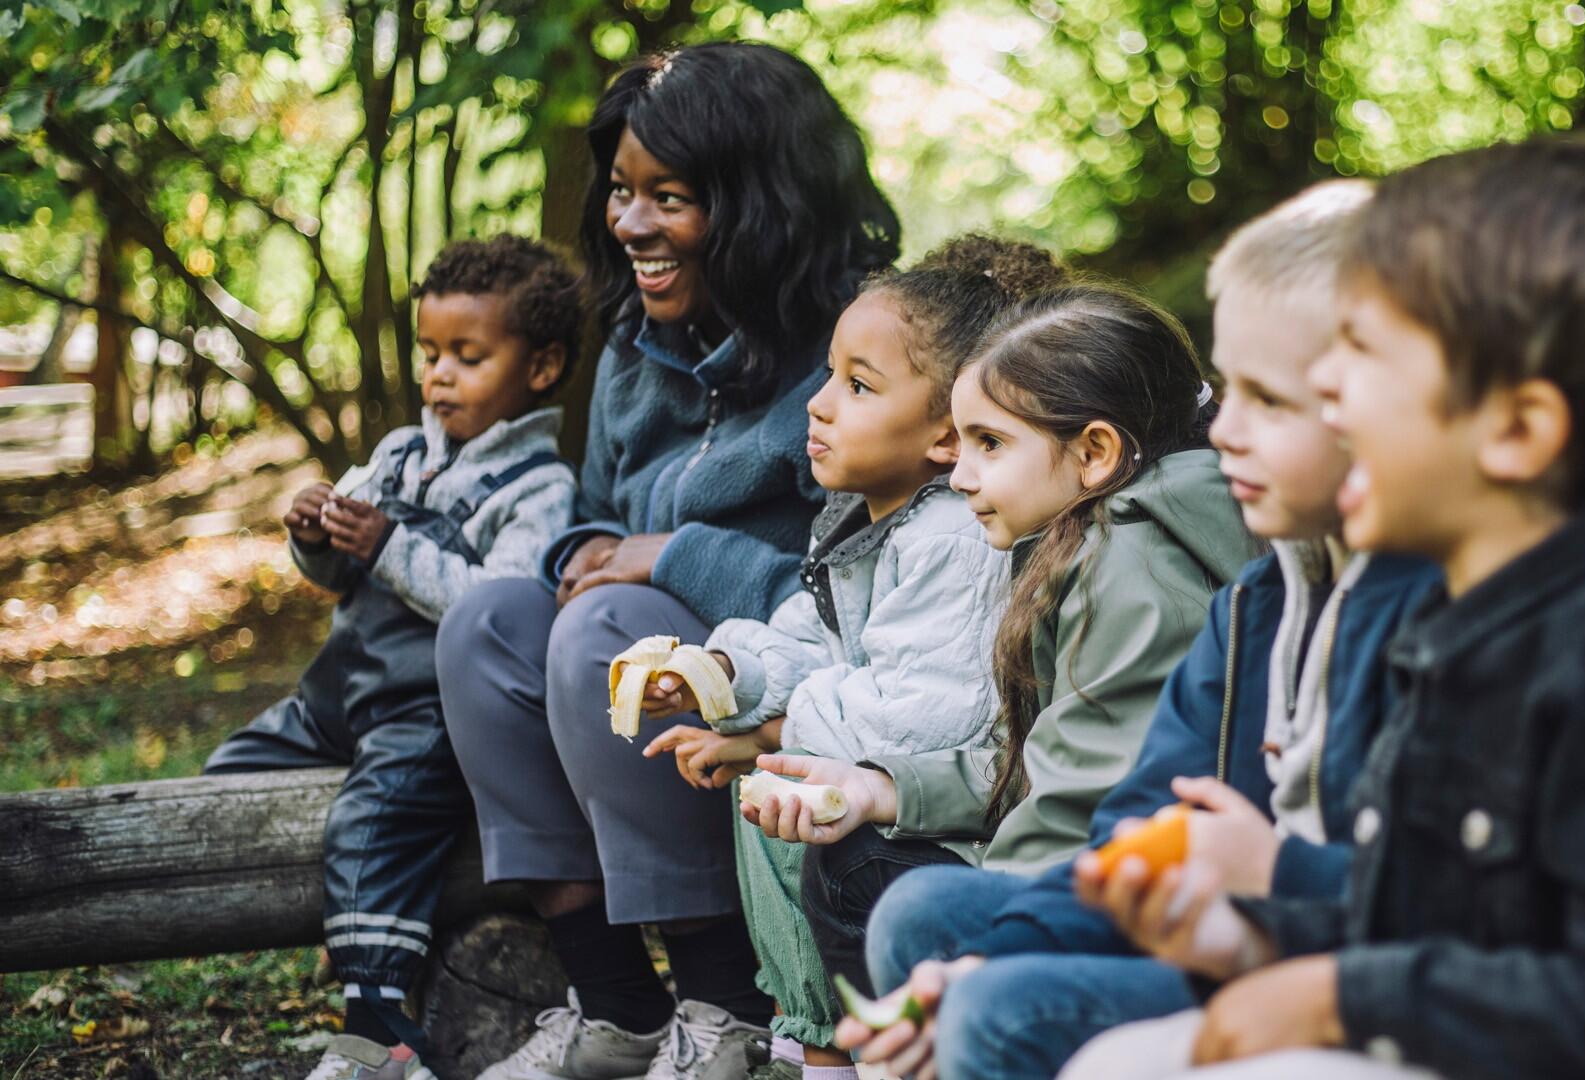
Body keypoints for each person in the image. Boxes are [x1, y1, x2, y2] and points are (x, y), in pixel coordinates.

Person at [1061, 137, 1585, 1080]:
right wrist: (1250, 946)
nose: (1331, 388)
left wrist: (1336, 995)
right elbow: (1440, 916)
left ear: (1516, 431)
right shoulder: (1452, 637)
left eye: (1365, 352)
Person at [835, 184, 1435, 1080]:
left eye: (1265, 401)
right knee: (930, 927)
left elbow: (1475, 911)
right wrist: (981, 957)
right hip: (1248, 928)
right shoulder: (1265, 596)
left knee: (998, 1008)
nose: (1221, 430)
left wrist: (1274, 883)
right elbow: (1131, 821)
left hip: (1335, 960)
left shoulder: (1440, 613)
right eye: (1229, 392)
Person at [434, 43, 901, 1080]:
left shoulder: (866, 359)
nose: (633, 224)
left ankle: (727, 1009)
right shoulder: (632, 355)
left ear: (761, 205)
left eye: (672, 197)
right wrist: (585, 551)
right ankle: (616, 1009)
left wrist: (673, 558)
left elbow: (871, 596)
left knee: (609, 631)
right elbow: (591, 515)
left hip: (796, 710)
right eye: (621, 194)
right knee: (490, 625)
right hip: (640, 706)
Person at [749, 282, 1259, 998]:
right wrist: (882, 788)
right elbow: (1044, 764)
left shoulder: (1133, 573)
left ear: (1096, 453)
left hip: (1154, 907)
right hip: (1111, 880)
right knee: (857, 855)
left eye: (989, 443)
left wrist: (993, 959)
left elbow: (1084, 811)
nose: (959, 476)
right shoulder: (1086, 540)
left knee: (910, 907)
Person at [641, 237, 1059, 1080]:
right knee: (767, 796)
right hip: (889, 797)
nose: (820, 405)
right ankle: (815, 1042)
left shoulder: (952, 536)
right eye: (829, 375)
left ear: (948, 434)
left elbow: (917, 711)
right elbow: (807, 634)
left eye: (858, 386)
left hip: (953, 830)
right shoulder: (861, 515)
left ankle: (843, 1045)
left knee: (798, 797)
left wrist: (768, 735)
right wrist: (724, 677)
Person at [205, 236, 581, 1080]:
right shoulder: (402, 454)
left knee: (375, 826)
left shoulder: (538, 487)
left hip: (428, 714)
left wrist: (389, 547)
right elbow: (342, 570)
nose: (439, 375)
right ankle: (351, 928)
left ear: (543, 366)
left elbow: (503, 608)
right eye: (430, 353)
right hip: (339, 695)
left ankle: (379, 1034)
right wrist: (316, 536)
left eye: (468, 357)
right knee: (228, 782)